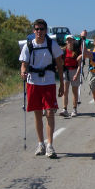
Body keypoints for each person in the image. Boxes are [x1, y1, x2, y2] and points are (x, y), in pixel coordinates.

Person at [19, 19, 64, 158]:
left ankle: (50, 145)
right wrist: (23, 72)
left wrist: (62, 83)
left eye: (42, 29)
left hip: (49, 82)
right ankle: (40, 144)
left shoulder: (52, 44)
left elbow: (60, 64)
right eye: (37, 29)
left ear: (46, 30)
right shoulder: (28, 46)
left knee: (50, 112)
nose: (39, 32)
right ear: (34, 31)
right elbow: (24, 64)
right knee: (38, 113)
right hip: (33, 83)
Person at [59, 35, 81, 117]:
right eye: (68, 40)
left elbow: (80, 65)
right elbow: (60, 62)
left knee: (74, 92)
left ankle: (74, 109)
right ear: (66, 41)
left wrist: (76, 74)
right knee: (65, 91)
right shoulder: (63, 51)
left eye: (71, 40)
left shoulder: (77, 51)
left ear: (73, 41)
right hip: (66, 72)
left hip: (75, 71)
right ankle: (64, 109)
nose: (69, 41)